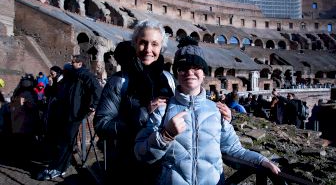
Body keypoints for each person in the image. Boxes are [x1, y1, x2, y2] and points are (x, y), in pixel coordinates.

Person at [93, 21, 232, 185]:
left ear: (161, 48)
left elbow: (185, 110)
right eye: (143, 43)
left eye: (154, 44)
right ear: (135, 44)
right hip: (126, 167)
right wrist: (143, 114)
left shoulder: (167, 78)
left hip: (162, 167)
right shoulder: (119, 81)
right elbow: (101, 125)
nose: (148, 49)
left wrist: (222, 119)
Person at [135, 38, 280, 185]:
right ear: (177, 74)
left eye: (196, 67)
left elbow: (234, 150)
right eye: (182, 68)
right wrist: (166, 135)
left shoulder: (217, 111)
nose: (189, 72)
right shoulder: (162, 109)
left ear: (204, 73)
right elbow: (141, 154)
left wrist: (261, 161)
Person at [36, 55, 101, 181]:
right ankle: (62, 167)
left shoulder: (86, 75)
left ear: (80, 64)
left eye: (74, 62)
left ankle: (56, 168)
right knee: (65, 141)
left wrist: (93, 106)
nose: (71, 64)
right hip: (66, 113)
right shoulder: (71, 76)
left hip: (75, 114)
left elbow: (97, 90)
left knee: (65, 142)